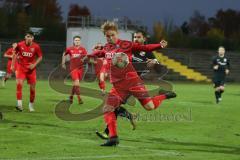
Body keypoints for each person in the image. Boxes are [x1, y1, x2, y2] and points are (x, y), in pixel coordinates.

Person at [91, 21, 176, 146]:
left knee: (149, 107)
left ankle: (165, 95)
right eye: (107, 36)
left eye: (112, 35)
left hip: (134, 82)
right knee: (109, 108)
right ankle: (113, 137)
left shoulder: (129, 46)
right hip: (119, 85)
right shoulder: (108, 47)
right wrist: (88, 55)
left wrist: (159, 46)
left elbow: (147, 49)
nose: (110, 38)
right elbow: (102, 53)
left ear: (117, 33)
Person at [11, 31, 43, 112]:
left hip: (31, 70)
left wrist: (34, 64)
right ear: (25, 37)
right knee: (19, 85)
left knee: (32, 89)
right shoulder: (20, 44)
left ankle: (31, 105)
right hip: (21, 68)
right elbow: (14, 54)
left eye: (31, 37)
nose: (29, 38)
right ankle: (19, 105)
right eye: (28, 36)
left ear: (33, 38)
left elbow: (40, 57)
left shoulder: (36, 46)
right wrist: (12, 65)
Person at [62, 36, 88, 104]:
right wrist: (63, 63)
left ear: (80, 41)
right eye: (76, 40)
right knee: (77, 83)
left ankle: (71, 97)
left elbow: (86, 55)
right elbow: (64, 54)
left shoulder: (83, 49)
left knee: (75, 84)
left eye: (78, 40)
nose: (77, 41)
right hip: (73, 69)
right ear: (73, 41)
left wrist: (83, 58)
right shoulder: (70, 49)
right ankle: (80, 99)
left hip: (80, 69)